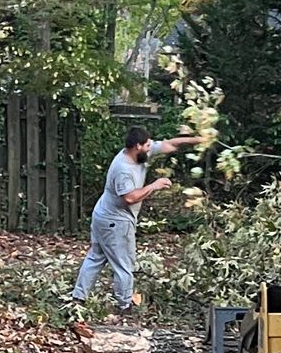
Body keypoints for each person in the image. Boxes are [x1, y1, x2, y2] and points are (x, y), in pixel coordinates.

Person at [69, 124, 192, 317]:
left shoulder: (140, 153)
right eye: (147, 145)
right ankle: (125, 307)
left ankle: (78, 298)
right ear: (137, 146)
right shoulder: (122, 168)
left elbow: (169, 145)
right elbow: (130, 198)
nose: (151, 147)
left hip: (103, 215)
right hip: (115, 221)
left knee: (95, 257)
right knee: (124, 265)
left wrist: (197, 140)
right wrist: (155, 185)